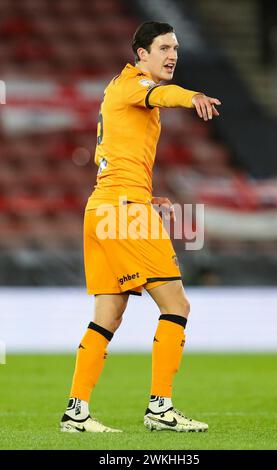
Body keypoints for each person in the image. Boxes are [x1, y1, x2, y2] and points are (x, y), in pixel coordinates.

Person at [60, 21, 220, 433]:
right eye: (164, 47)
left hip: (103, 208)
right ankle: (160, 409)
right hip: (124, 211)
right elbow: (161, 95)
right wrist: (192, 97)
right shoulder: (134, 84)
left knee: (107, 315)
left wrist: (144, 197)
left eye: (177, 49)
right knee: (177, 306)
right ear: (142, 54)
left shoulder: (118, 90)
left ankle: (76, 413)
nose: (173, 55)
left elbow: (117, 153)